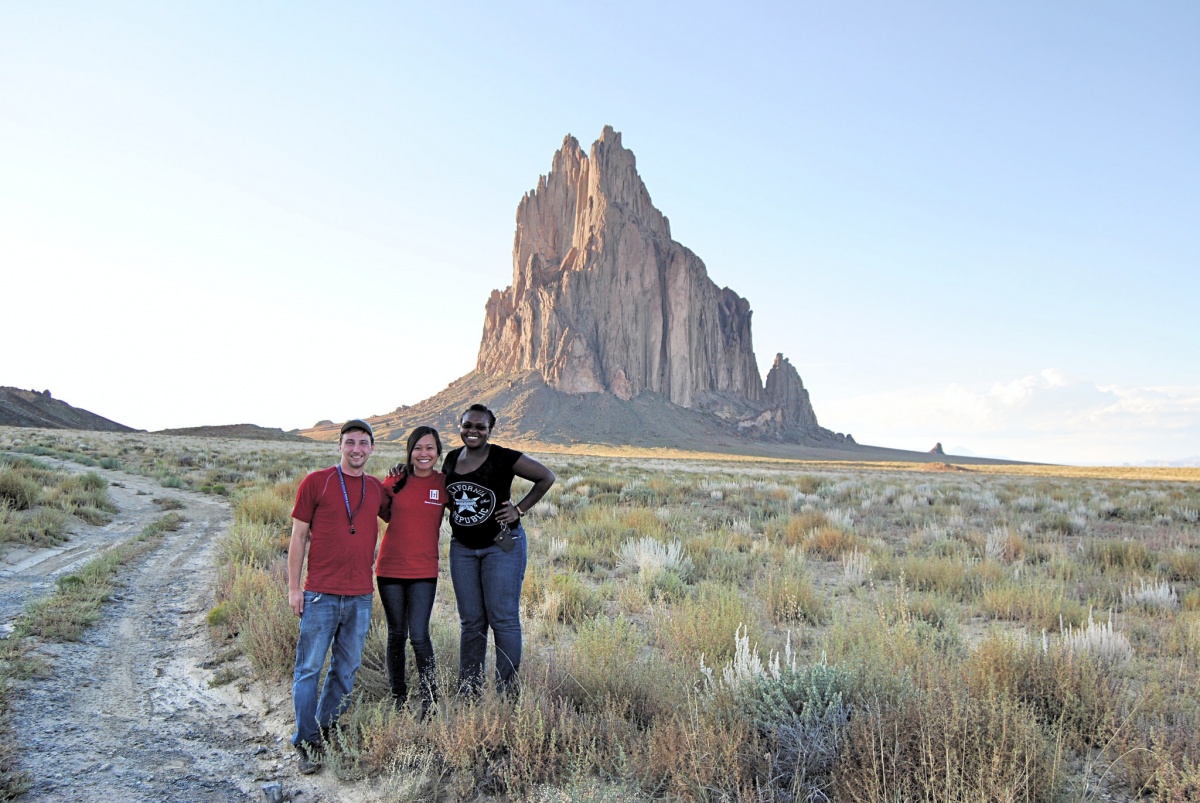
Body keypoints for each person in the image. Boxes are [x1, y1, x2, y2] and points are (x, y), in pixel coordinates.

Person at [287, 419, 389, 775]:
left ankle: (327, 727)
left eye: (363, 443)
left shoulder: (376, 488)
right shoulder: (317, 482)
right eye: (350, 442)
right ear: (340, 446)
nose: (356, 449)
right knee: (309, 670)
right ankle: (305, 740)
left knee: (345, 670)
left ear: (372, 448)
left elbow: (404, 510)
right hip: (320, 595)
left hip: (360, 596)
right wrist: (294, 588)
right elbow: (298, 538)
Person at [443, 403, 555, 695]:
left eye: (480, 427)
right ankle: (469, 690)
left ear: (490, 430)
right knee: (471, 621)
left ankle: (507, 692)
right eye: (468, 425)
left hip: (502, 547)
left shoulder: (504, 457)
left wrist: (520, 509)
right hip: (463, 549)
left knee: (503, 618)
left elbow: (546, 477)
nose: (473, 431)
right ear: (460, 426)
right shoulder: (452, 458)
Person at [375, 426, 447, 718]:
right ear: (409, 450)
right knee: (396, 634)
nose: (424, 454)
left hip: (424, 569)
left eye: (430, 448)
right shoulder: (394, 480)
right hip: (390, 566)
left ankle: (430, 700)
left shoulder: (444, 484)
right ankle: (398, 697)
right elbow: (380, 511)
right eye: (418, 448)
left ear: (438, 452)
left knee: (418, 635)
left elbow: (468, 512)